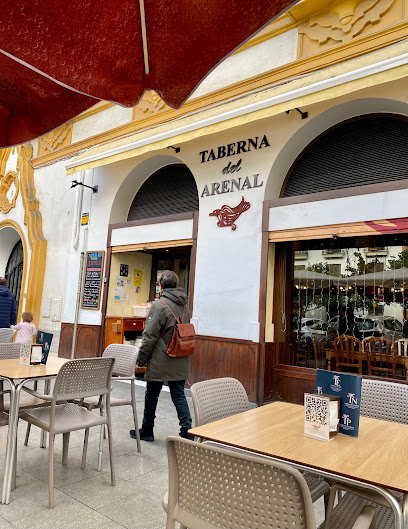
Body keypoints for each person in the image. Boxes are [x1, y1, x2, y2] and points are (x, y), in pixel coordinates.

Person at [130, 270, 194, 442]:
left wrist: (141, 361)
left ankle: (147, 430)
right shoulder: (184, 306)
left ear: (161, 286)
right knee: (178, 394)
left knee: (152, 394)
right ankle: (187, 430)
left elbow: (149, 336)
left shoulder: (159, 305)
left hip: (161, 359)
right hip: (180, 356)